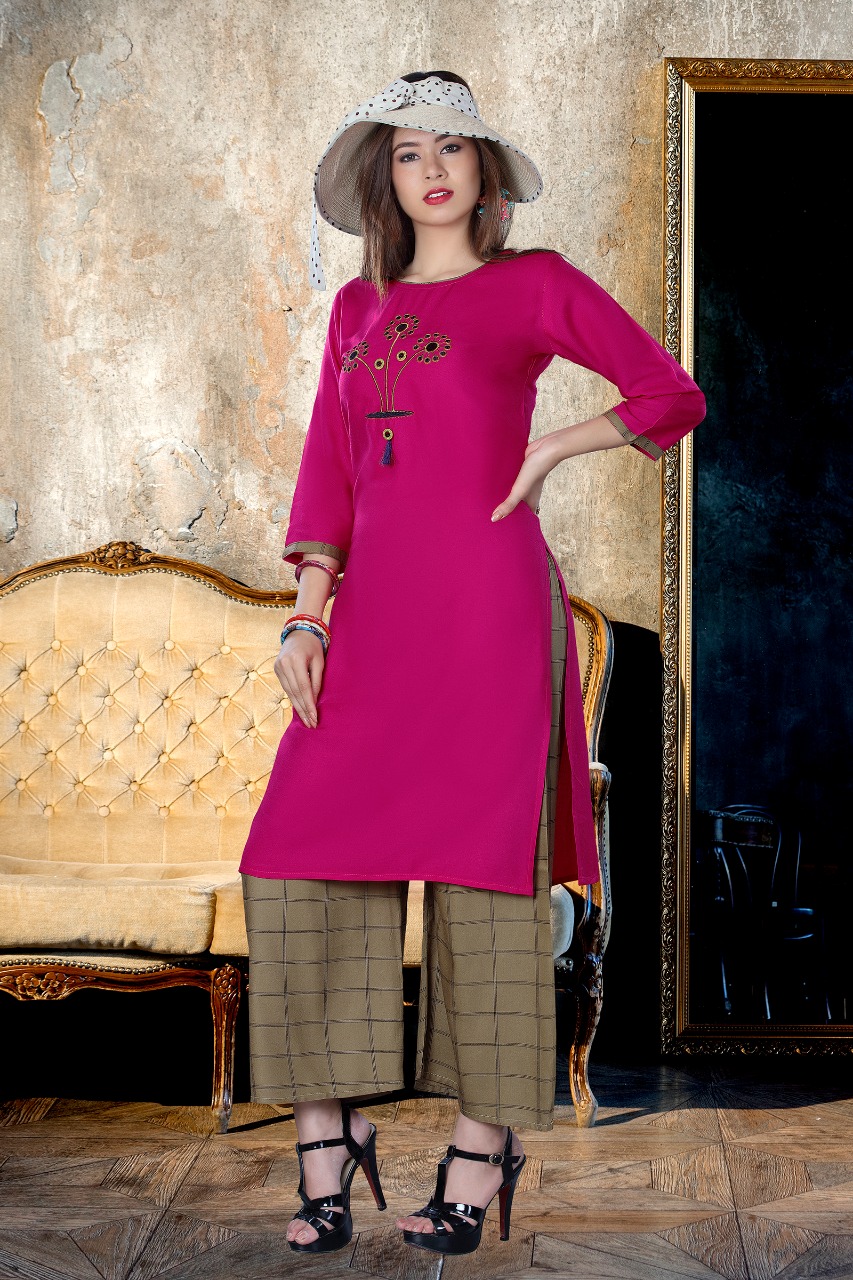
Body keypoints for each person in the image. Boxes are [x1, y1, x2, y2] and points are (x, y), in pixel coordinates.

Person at [238, 69, 706, 1257]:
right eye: (408, 152)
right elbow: (330, 469)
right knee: (295, 856)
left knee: (488, 880)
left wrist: (551, 447)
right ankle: (328, 1134)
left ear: (484, 169)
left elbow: (671, 395)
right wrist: (306, 617)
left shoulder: (533, 285)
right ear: (384, 177)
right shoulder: (356, 308)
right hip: (373, 622)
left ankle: (481, 1147)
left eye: (452, 148)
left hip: (490, 613)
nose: (432, 169)